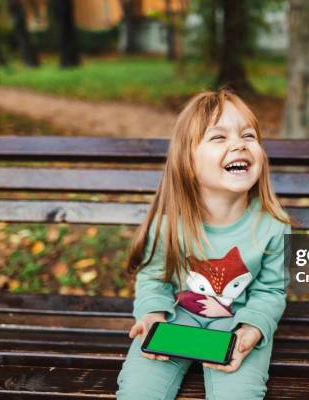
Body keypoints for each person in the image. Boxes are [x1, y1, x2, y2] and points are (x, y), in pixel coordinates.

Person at [116, 88, 292, 399]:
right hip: (176, 319)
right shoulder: (169, 225)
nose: (239, 144)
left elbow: (270, 291)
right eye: (219, 137)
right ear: (188, 160)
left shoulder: (272, 227)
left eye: (249, 136)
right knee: (138, 389)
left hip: (235, 325)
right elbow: (153, 279)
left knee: (238, 394)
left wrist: (252, 329)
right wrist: (152, 315)